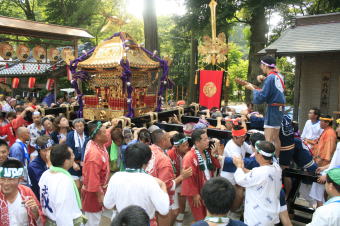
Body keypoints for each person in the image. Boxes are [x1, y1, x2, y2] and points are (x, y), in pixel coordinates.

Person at [104, 143, 170, 226]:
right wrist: (163, 185)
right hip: (144, 222)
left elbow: (108, 204)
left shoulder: (116, 177)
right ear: (146, 162)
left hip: (122, 222)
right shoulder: (150, 181)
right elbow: (164, 210)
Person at [146, 129, 192, 226]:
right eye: (168, 138)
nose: (170, 139)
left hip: (147, 192)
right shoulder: (164, 158)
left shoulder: (148, 149)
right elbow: (166, 185)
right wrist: (182, 177)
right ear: (163, 141)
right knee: (166, 214)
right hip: (158, 193)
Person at [233, 140, 282, 226]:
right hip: (271, 216)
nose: (254, 154)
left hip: (258, 218)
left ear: (260, 155)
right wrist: (242, 168)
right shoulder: (277, 168)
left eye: (256, 152)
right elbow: (254, 175)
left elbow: (240, 180)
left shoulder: (259, 172)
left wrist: (239, 166)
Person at [245, 55, 286, 157]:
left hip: (273, 109)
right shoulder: (279, 76)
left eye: (262, 65)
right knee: (276, 137)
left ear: (265, 66)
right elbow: (273, 88)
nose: (260, 67)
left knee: (268, 138)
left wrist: (253, 89)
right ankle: (276, 159)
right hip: (280, 109)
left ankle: (268, 161)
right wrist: (264, 79)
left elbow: (262, 96)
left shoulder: (270, 78)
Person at [39, 143, 85, 225]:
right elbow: (63, 213)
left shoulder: (46, 174)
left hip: (50, 219)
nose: (74, 156)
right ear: (66, 161)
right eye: (72, 154)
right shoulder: (64, 180)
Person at [181, 129, 221, 221]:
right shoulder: (189, 157)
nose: (208, 141)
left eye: (208, 138)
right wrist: (195, 194)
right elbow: (188, 178)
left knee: (211, 216)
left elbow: (217, 165)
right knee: (200, 217)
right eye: (205, 139)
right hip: (198, 191)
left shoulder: (207, 152)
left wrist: (214, 153)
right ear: (197, 142)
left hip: (209, 189)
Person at [82, 121, 110, 226]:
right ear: (97, 136)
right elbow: (93, 179)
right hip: (93, 193)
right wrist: (100, 195)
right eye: (104, 132)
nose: (107, 133)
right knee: (93, 222)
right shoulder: (94, 155)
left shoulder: (97, 144)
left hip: (98, 189)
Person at [0, 159, 43, 225]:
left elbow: (40, 222)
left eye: (10, 179)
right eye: (2, 179)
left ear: (20, 179)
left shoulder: (27, 192)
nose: (6, 183)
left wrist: (36, 213)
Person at [310, 121, 340, 206]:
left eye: (338, 127)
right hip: (330, 170)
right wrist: (324, 168)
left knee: (318, 192)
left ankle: (320, 213)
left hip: (334, 174)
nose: (337, 130)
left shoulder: (330, 133)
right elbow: (335, 162)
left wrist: (326, 175)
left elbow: (329, 151)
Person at [167, 133, 190, 225]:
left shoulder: (188, 152)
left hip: (182, 181)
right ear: (176, 147)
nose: (186, 147)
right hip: (172, 183)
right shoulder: (169, 155)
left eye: (187, 144)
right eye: (184, 145)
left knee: (182, 208)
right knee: (174, 211)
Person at [66, 118, 87, 185]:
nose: (79, 128)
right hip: (74, 163)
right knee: (76, 185)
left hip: (85, 164)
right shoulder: (70, 135)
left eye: (81, 126)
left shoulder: (87, 134)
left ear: (84, 126)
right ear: (74, 128)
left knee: (84, 183)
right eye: (77, 126)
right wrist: (73, 164)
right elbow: (68, 150)